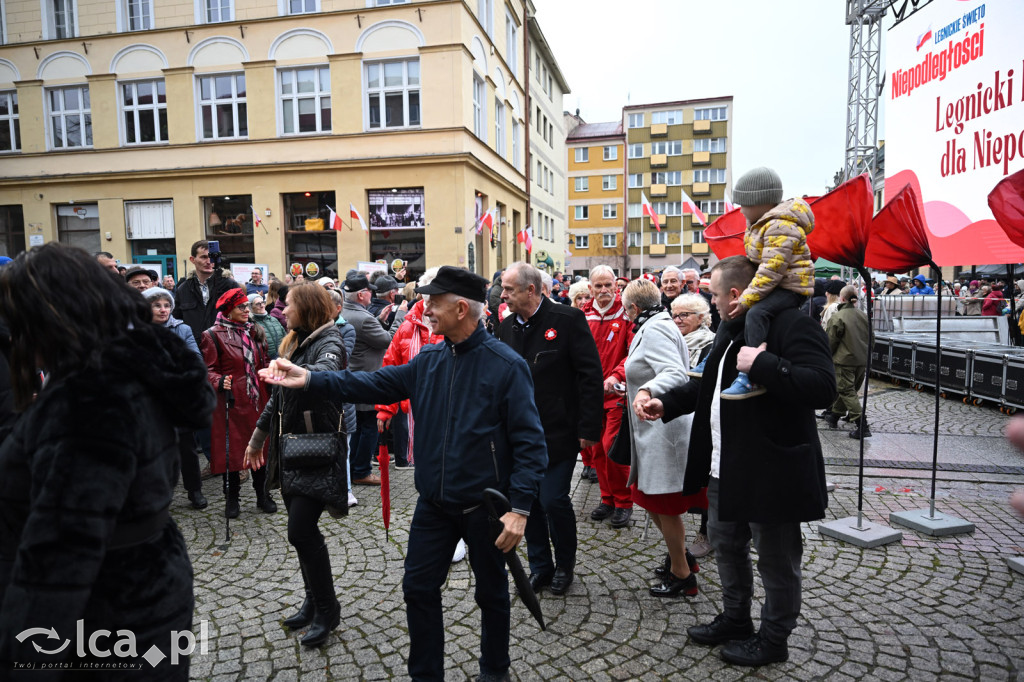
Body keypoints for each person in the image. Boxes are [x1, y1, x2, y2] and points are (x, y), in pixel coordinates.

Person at [259, 266, 547, 682]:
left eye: (433, 302)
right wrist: (309, 379)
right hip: (433, 503)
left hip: (485, 507)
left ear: (462, 308)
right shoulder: (429, 357)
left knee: (492, 595)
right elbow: (372, 384)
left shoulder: (506, 365)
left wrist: (519, 507)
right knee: (417, 589)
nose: (424, 308)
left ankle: (494, 673)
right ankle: (425, 675)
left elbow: (530, 443)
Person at [0, 244, 213, 677]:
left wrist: (21, 659)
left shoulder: (88, 396)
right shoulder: (132, 363)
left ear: (48, 318)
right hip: (151, 587)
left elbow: (62, 553)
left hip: (109, 608)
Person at [635, 256, 836, 667]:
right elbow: (705, 386)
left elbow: (823, 387)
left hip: (771, 470)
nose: (708, 303)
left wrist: (762, 364)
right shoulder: (730, 330)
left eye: (711, 295)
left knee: (777, 559)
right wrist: (663, 402)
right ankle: (735, 619)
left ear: (733, 295)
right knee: (726, 546)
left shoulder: (793, 325)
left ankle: (774, 638)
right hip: (724, 466)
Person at [244, 284, 348, 648]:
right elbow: (279, 395)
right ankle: (314, 599)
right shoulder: (293, 340)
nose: (281, 310)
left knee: (301, 531)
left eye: (287, 305)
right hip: (291, 450)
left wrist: (299, 373)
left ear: (305, 308)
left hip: (317, 451)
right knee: (299, 532)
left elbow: (325, 370)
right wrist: (258, 437)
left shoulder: (329, 341)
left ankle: (328, 609)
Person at [497, 262, 603, 596]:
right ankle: (540, 566)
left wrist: (589, 427)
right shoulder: (505, 327)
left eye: (509, 289)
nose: (502, 295)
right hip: (517, 435)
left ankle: (565, 565)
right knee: (527, 501)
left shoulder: (568, 320)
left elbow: (590, 375)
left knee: (554, 498)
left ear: (531, 289)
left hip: (557, 431)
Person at [619, 279, 701, 598]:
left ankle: (682, 575)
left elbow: (675, 373)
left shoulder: (655, 329)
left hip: (663, 429)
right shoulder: (657, 323)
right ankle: (682, 557)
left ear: (634, 308)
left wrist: (645, 389)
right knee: (652, 501)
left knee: (664, 505)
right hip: (652, 429)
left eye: (627, 310)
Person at [703, 167, 815, 399]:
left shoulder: (780, 226)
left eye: (744, 204)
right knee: (730, 315)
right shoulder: (761, 224)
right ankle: (711, 359)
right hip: (775, 284)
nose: (741, 210)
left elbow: (771, 270)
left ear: (760, 202)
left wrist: (747, 299)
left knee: (755, 314)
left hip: (791, 287)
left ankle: (751, 375)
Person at [199, 288, 276, 518]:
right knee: (233, 452)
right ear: (228, 310)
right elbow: (207, 369)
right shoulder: (212, 335)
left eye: (246, 306)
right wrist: (218, 379)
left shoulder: (255, 330)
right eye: (241, 307)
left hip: (257, 398)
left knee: (260, 446)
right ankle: (232, 499)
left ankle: (263, 495)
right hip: (231, 401)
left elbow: (263, 360)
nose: (246, 310)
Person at [144, 286, 208, 509]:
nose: (163, 310)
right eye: (157, 305)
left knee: (187, 448)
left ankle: (194, 490)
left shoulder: (182, 329)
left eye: (167, 305)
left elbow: (196, 360)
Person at [581, 265, 635, 527]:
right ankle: (607, 498)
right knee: (595, 448)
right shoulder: (582, 315)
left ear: (616, 285)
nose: (604, 290)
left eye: (608, 285)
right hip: (590, 395)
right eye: (598, 286)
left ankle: (624, 502)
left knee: (612, 447)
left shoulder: (626, 314)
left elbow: (632, 352)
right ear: (590, 288)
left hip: (616, 393)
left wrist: (616, 376)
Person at [670, 292, 716, 559]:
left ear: (701, 317)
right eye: (674, 314)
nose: (678, 320)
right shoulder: (674, 341)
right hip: (676, 414)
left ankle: (706, 531)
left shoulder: (711, 344)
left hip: (701, 418)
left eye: (684, 315)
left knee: (704, 476)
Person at [342, 274, 392, 486]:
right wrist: (399, 319)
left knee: (359, 426)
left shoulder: (346, 311)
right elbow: (387, 340)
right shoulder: (363, 318)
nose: (372, 293)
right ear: (361, 295)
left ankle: (355, 467)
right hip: (368, 377)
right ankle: (361, 470)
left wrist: (379, 320)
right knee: (371, 425)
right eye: (369, 290)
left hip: (354, 375)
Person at [823, 286, 872, 439]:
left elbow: (830, 342)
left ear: (842, 298)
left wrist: (826, 357)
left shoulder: (838, 317)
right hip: (862, 360)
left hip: (844, 360)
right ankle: (834, 416)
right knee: (848, 390)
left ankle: (862, 425)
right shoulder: (864, 316)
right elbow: (873, 339)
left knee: (846, 391)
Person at [250, 293, 287, 360]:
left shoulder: (273, 319)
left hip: (282, 357)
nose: (262, 306)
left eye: (263, 302)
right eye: (258, 304)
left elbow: (285, 337)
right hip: (265, 361)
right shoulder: (251, 324)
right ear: (250, 307)